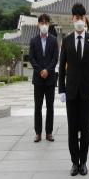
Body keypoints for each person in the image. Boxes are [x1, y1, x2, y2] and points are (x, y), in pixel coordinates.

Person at [58, 3, 89, 176]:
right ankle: (74, 163)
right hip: (71, 92)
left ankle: (83, 162)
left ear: (85, 18)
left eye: (82, 18)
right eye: (76, 18)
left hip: (87, 92)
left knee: (85, 129)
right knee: (71, 129)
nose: (79, 21)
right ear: (72, 19)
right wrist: (61, 89)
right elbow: (62, 67)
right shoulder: (67, 41)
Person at [29, 14, 59, 143]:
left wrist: (47, 70)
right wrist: (40, 70)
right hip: (38, 78)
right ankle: (38, 133)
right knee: (38, 107)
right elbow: (32, 58)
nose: (44, 24)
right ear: (38, 24)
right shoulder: (33, 40)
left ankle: (49, 132)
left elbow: (55, 58)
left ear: (49, 24)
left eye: (46, 22)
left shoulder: (53, 40)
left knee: (50, 107)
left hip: (50, 78)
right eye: (42, 22)